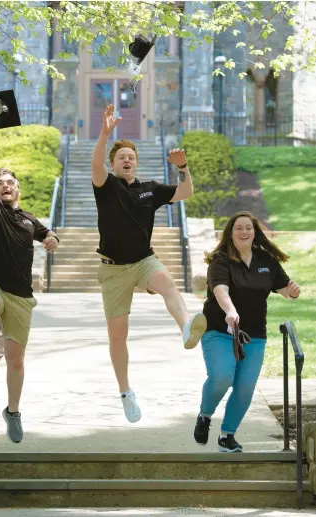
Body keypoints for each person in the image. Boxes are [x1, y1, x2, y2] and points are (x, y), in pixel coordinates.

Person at [91, 104, 207, 423]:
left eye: (131, 157)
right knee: (118, 336)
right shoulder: (106, 187)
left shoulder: (150, 190)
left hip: (144, 260)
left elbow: (186, 192)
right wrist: (104, 133)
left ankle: (186, 328)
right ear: (114, 164)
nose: (126, 160)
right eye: (121, 157)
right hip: (113, 270)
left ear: (136, 164)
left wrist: (183, 167)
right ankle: (126, 392)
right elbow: (96, 164)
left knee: (168, 285)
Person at [0, 125, 60, 443]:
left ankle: (13, 411)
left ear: (17, 188)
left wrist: (50, 238)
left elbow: (46, 232)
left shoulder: (28, 218)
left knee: (15, 360)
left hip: (21, 295)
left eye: (10, 182)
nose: (4, 186)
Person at [194, 211, 301, 452]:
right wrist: (230, 311)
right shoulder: (221, 261)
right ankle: (204, 415)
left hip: (254, 334)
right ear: (230, 233)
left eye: (248, 228)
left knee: (244, 388)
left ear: (255, 232)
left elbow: (284, 288)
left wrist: (292, 291)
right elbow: (221, 291)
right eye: (239, 228)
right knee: (222, 377)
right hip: (220, 330)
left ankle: (227, 435)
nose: (244, 232)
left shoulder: (266, 261)